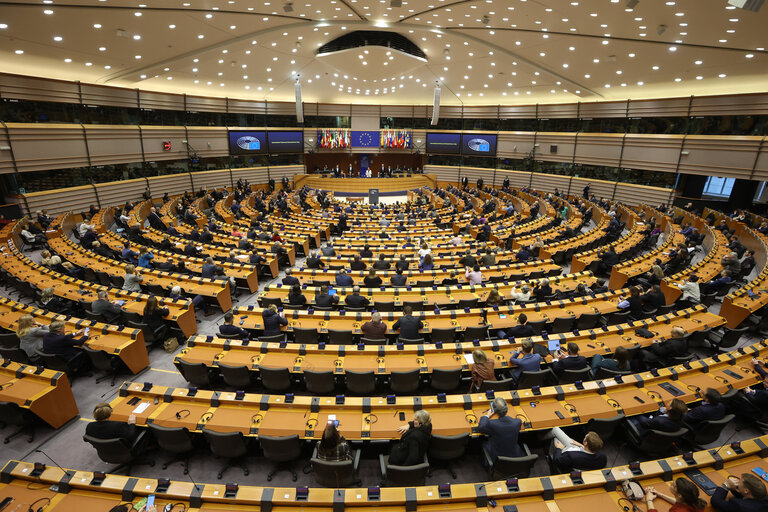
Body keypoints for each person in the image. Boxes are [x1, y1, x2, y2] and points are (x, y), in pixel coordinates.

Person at [478, 397, 523, 465]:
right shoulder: (517, 422)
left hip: (497, 457)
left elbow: (481, 428)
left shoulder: (493, 424)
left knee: (483, 443)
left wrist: (487, 416)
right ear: (507, 408)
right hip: (515, 456)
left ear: (494, 410)